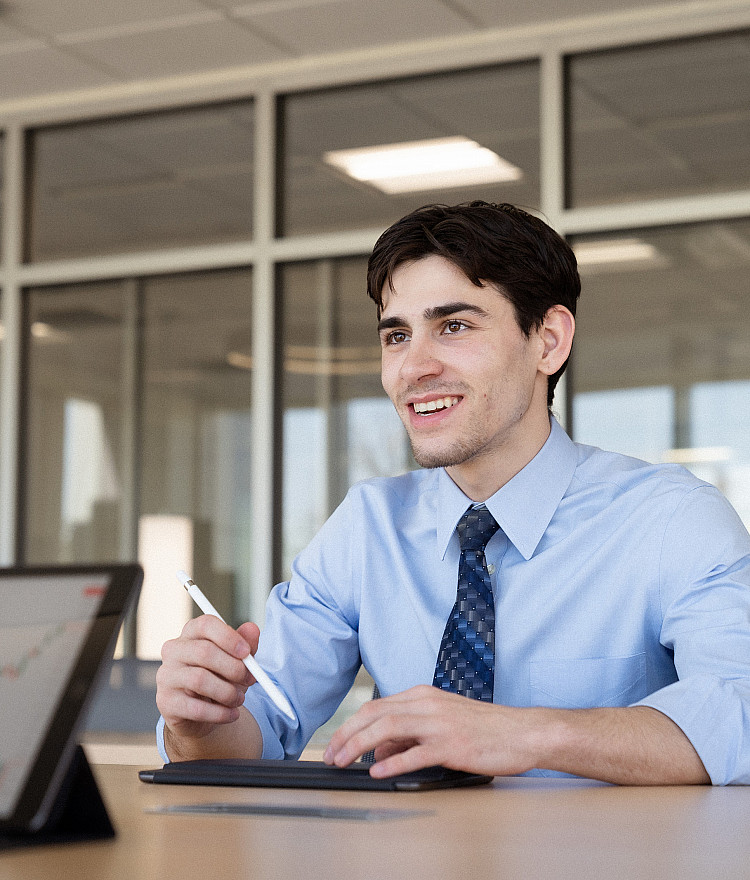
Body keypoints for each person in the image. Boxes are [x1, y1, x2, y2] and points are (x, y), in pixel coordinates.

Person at [155, 201, 750, 785]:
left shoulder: (673, 518)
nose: (414, 367)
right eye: (396, 336)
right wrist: (200, 720)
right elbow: (262, 729)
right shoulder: (368, 526)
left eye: (454, 326)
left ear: (548, 340)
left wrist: (526, 733)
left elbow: (740, 714)